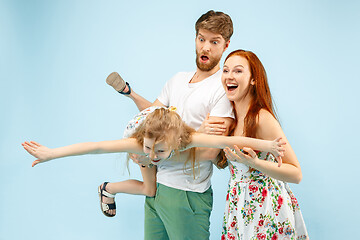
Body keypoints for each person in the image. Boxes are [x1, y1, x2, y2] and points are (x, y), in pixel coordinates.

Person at [106, 10, 235, 239]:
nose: (205, 47)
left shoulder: (221, 90)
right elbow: (153, 117)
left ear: (225, 46)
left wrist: (151, 156)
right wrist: (131, 94)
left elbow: (209, 151)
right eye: (201, 39)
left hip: (187, 194)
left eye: (214, 42)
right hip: (156, 189)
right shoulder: (177, 80)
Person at [22, 107, 285, 215]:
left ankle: (107, 188)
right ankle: (108, 187)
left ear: (176, 144)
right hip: (142, 126)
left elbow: (228, 143)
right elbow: (97, 147)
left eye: (160, 152)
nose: (153, 157)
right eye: (151, 150)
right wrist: (50, 153)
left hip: (166, 127)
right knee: (148, 178)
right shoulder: (141, 144)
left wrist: (269, 145)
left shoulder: (188, 138)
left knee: (151, 189)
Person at [218, 49, 308, 239]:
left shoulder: (261, 118)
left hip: (267, 208)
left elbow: (296, 173)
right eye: (225, 70)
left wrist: (256, 163)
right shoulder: (230, 117)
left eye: (238, 71)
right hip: (239, 206)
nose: (229, 76)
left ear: (253, 80)